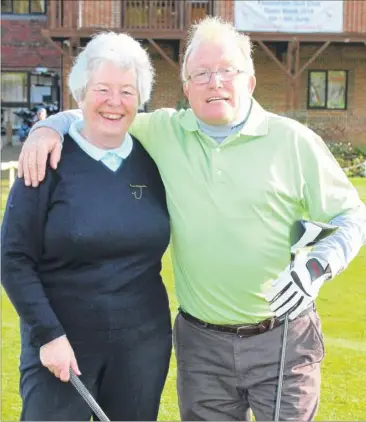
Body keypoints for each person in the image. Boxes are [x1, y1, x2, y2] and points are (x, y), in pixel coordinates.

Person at [17, 17, 366, 422]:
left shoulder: (293, 140)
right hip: (202, 345)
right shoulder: (165, 130)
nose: (214, 82)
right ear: (186, 88)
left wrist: (320, 263)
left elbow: (351, 215)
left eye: (226, 71)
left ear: (249, 81)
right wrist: (47, 127)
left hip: (283, 339)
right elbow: (100, 111)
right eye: (201, 73)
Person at [1, 32, 172, 422]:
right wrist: (48, 335)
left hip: (142, 349)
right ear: (81, 92)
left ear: (140, 98)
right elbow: (13, 259)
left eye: (127, 91)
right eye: (103, 89)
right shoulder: (46, 160)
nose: (115, 102)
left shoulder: (154, 160)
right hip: (60, 348)